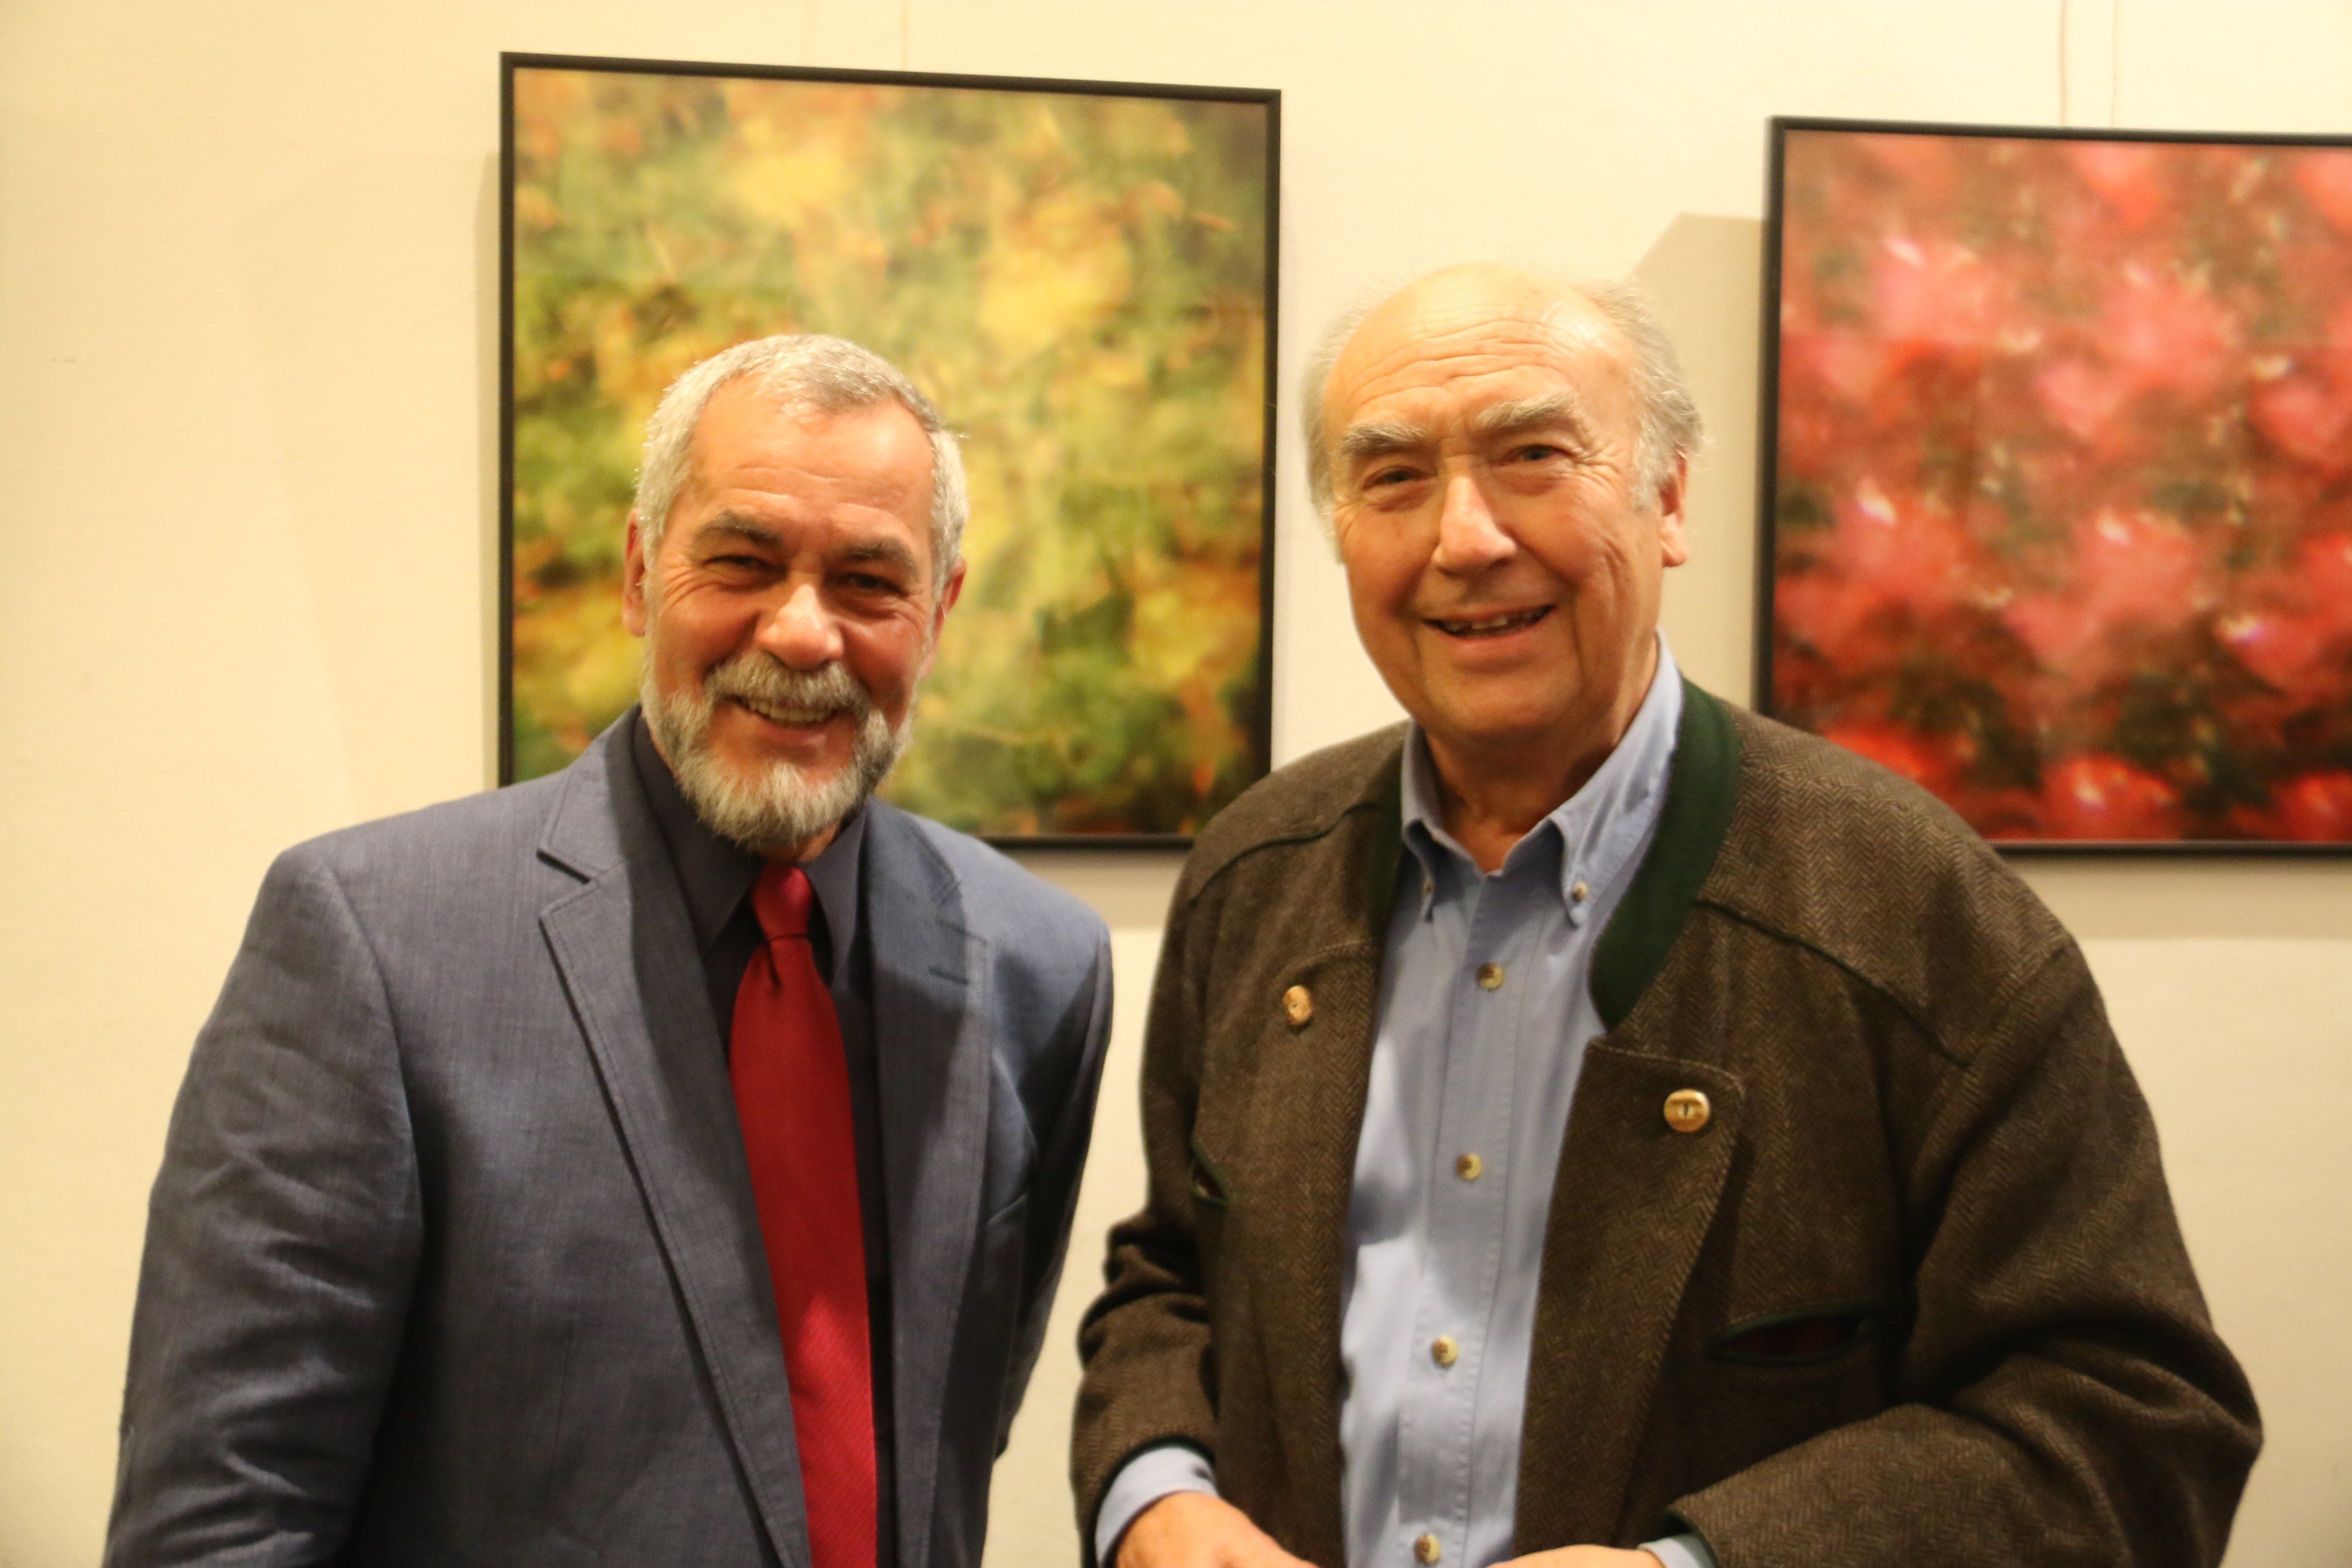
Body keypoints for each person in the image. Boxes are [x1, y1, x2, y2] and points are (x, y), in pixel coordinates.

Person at [1071, 265, 2259, 1568]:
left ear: (1670, 499)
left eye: (1533, 456)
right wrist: (1154, 1496)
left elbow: (2128, 1424)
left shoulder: (1914, 912)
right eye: (1394, 477)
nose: (1465, 538)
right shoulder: (1258, 872)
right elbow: (1173, 1277)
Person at [107, 335, 1113, 1568]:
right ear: (641, 576)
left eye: (868, 581)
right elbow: (224, 1518)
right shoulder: (371, 944)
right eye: (742, 561)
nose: (803, 633)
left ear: (938, 613)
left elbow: (952, 1442)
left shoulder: (1036, 966)